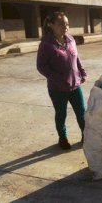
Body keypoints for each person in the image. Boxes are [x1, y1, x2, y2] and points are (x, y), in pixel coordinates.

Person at [37, 11, 87, 150]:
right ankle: (63, 138)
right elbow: (41, 66)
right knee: (61, 114)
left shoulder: (70, 39)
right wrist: (58, 79)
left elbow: (76, 57)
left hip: (75, 85)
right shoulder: (46, 44)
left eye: (67, 23)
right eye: (61, 24)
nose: (65, 26)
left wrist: (82, 71)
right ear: (51, 25)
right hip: (57, 88)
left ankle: (86, 134)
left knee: (82, 112)